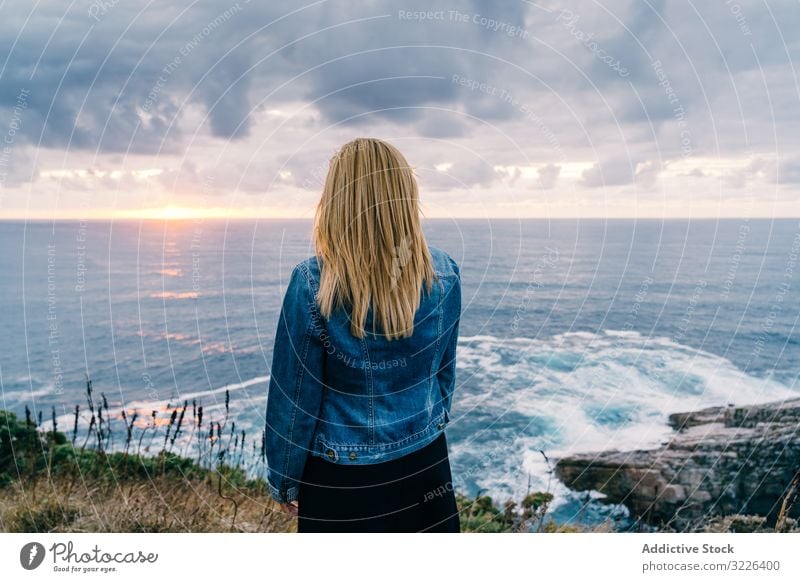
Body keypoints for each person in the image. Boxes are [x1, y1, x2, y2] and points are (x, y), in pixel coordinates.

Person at [264, 137, 462, 532]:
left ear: (337, 201)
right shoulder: (444, 273)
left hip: (341, 480)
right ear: (406, 198)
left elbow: (294, 401)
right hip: (426, 465)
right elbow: (444, 374)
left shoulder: (313, 284)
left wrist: (284, 481)